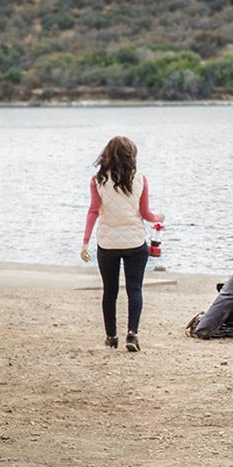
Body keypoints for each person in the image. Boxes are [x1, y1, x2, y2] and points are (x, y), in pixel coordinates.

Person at [79, 135, 161, 351]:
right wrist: (157, 218)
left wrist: (85, 242)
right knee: (134, 289)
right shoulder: (140, 178)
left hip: (107, 244)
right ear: (131, 155)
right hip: (135, 242)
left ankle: (110, 337)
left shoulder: (97, 180)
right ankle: (132, 335)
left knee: (110, 291)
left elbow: (93, 211)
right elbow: (145, 213)